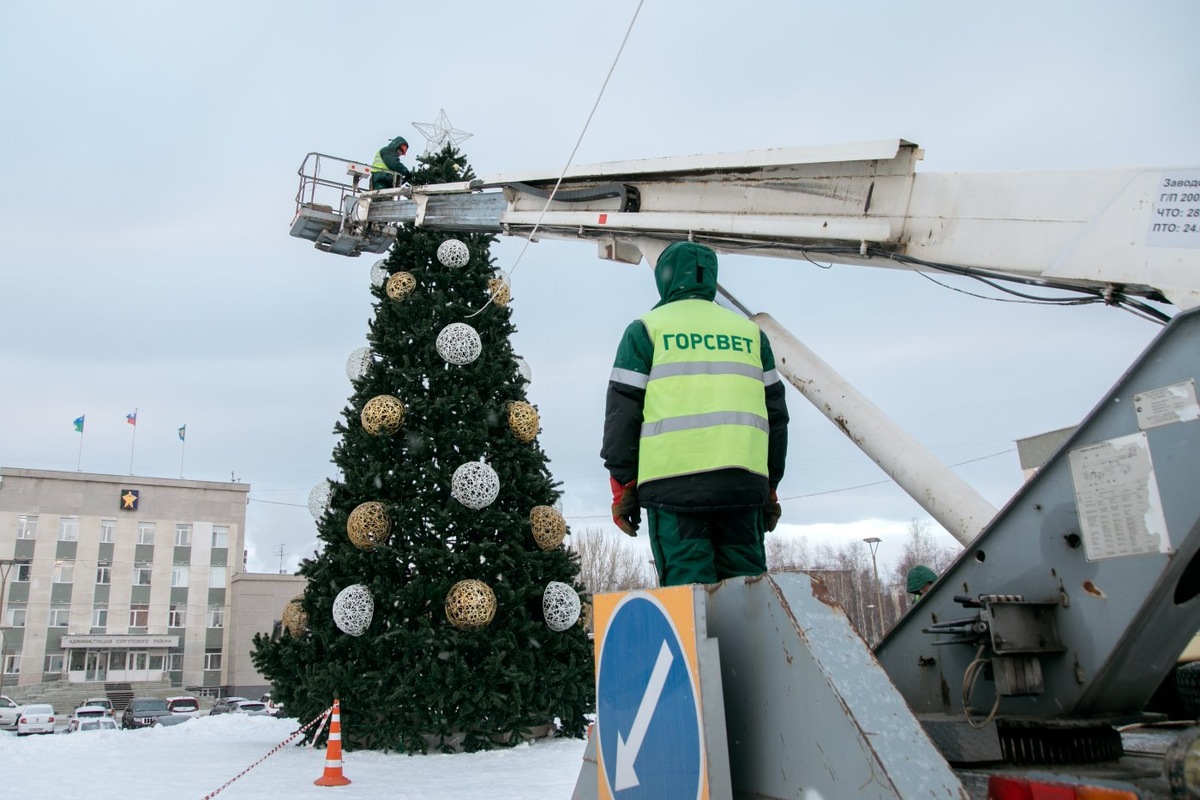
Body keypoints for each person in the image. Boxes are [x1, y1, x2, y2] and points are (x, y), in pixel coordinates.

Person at [601, 241, 789, 586]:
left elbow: (623, 415)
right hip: (743, 488)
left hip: (674, 493)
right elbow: (775, 418)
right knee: (748, 601)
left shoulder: (646, 330)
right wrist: (770, 486)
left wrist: (624, 485)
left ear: (665, 279)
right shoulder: (751, 335)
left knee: (690, 603)